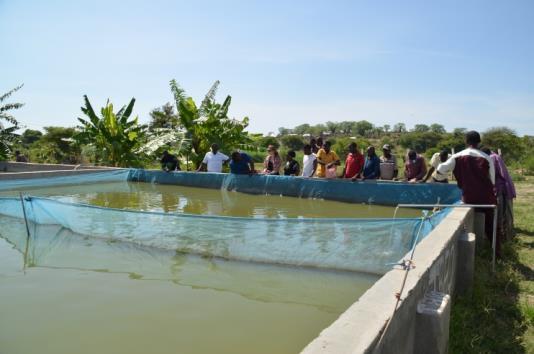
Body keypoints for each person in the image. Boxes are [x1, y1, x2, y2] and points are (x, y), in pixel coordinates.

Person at [437, 131, 498, 254]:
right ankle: (496, 252)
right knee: (491, 227)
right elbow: (492, 181)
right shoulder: (486, 158)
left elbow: (440, 170)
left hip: (468, 198)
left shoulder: (456, 157)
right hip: (486, 198)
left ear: (466, 141)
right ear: (479, 142)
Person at [482, 148, 516, 241]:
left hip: (499, 188)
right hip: (501, 187)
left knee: (499, 213)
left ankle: (501, 237)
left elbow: (492, 174)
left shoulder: (492, 158)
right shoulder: (495, 156)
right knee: (504, 212)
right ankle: (504, 235)